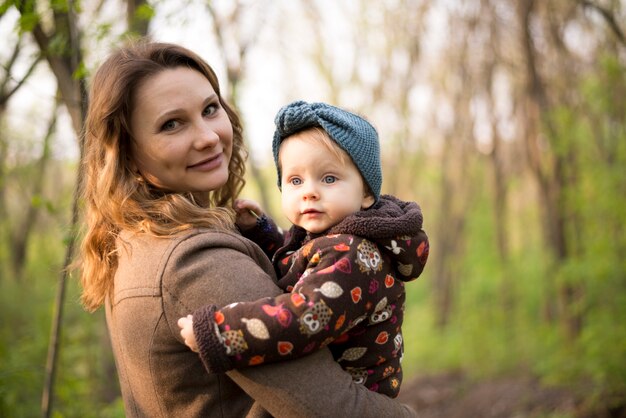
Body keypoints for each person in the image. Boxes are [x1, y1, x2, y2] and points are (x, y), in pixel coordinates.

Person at [77, 41, 418, 417]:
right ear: (129, 153)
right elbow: (335, 409)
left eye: (210, 109)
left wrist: (260, 234)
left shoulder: (133, 240)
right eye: (171, 124)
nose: (207, 136)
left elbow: (296, 266)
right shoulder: (196, 263)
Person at [178, 101, 429, 398]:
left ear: (365, 193)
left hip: (352, 402)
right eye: (295, 180)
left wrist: (220, 333)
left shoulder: (354, 254)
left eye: (329, 178)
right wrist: (263, 232)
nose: (309, 191)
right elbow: (301, 262)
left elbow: (305, 319)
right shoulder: (333, 239)